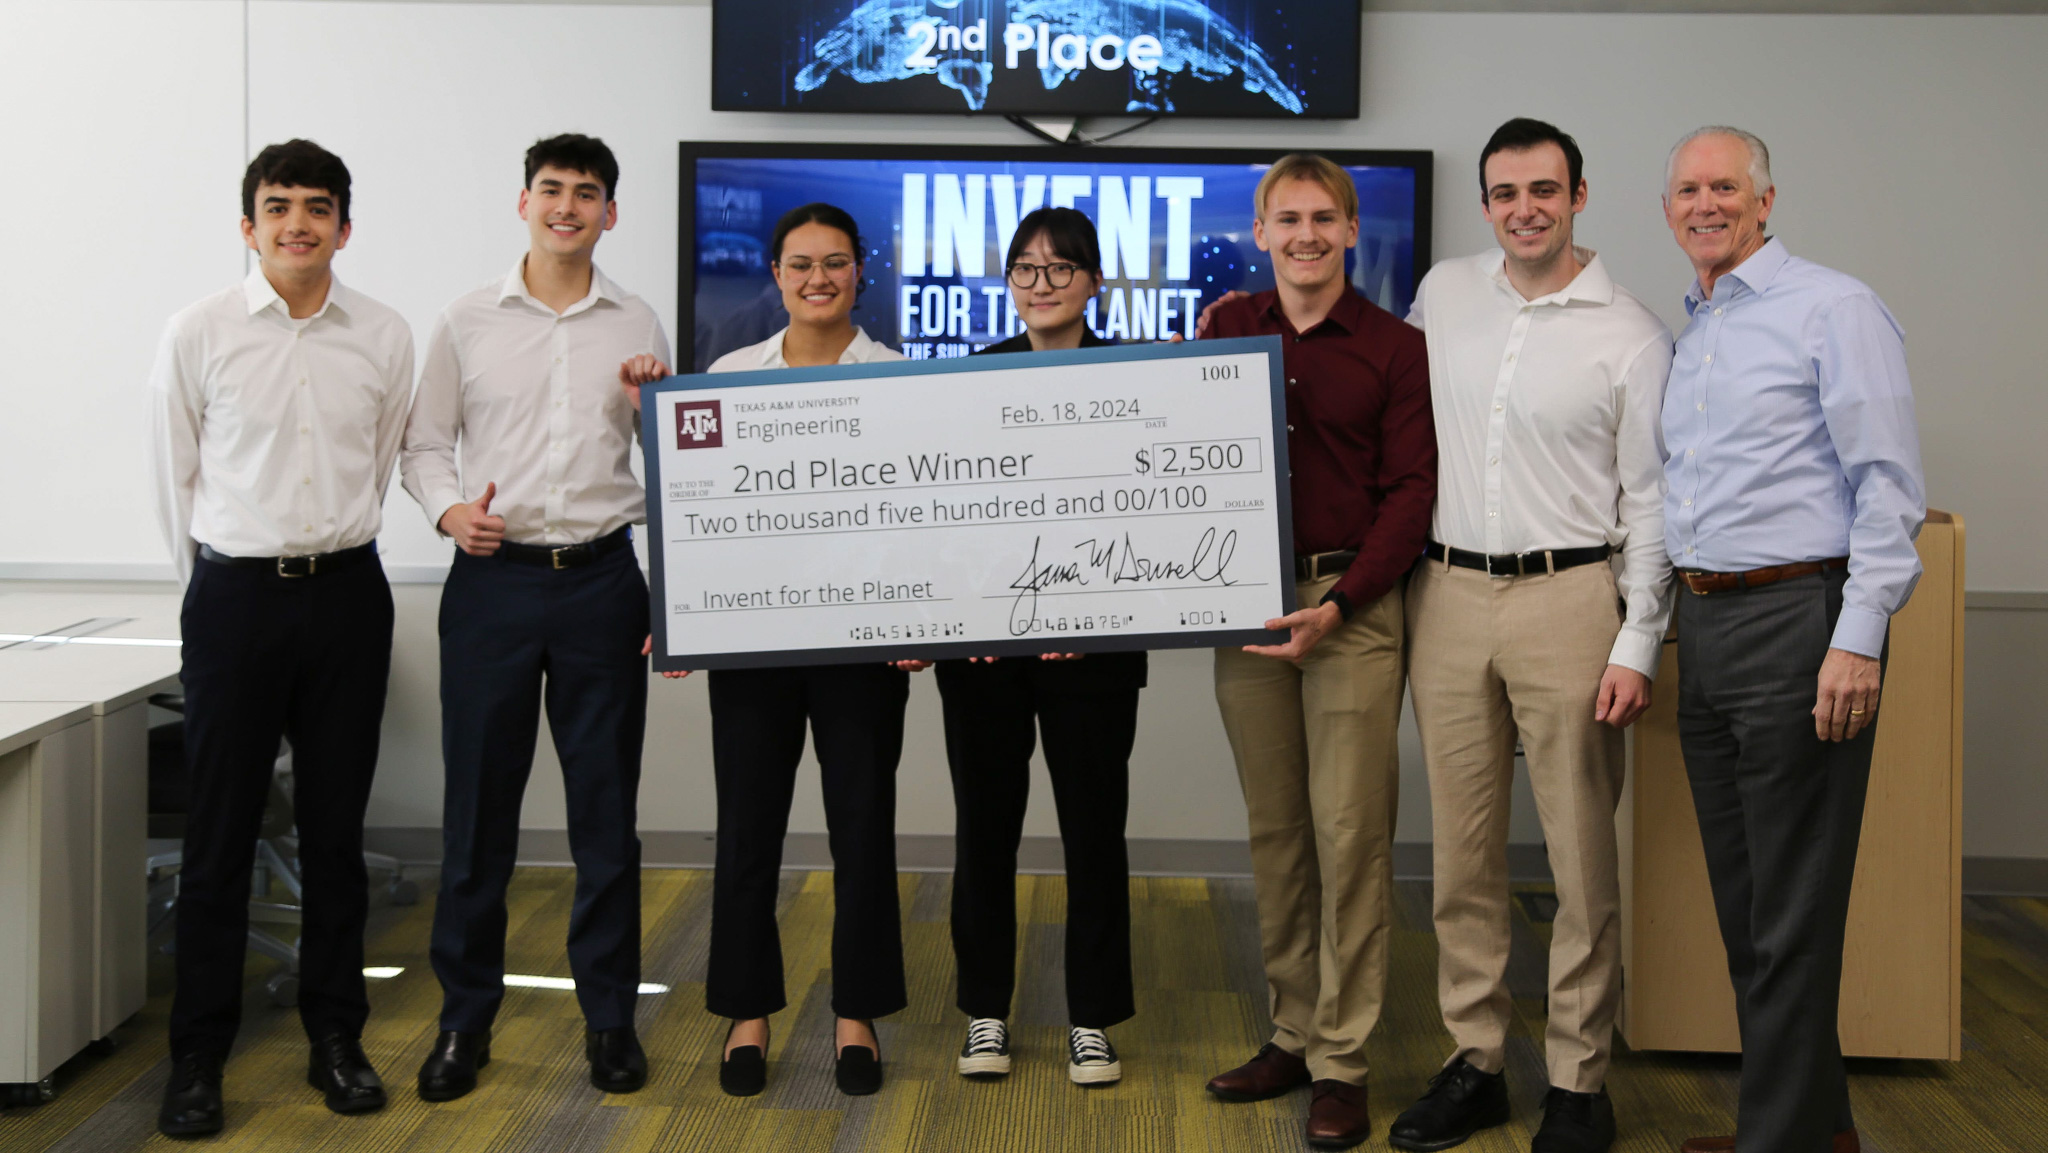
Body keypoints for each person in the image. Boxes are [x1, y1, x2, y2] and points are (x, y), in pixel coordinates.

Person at [1387, 119, 1674, 1153]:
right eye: (1503, 192)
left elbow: (1650, 501)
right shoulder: (1443, 294)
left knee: (1579, 856)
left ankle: (1577, 1079)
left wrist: (1638, 639)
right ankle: (1474, 1062)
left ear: (1578, 195)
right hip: (1448, 596)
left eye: (1542, 190)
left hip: (1570, 600)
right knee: (1460, 856)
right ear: (1484, 202)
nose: (1523, 210)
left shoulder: (1630, 333)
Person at [1659, 127, 1924, 1153]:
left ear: (1764, 200)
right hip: (1706, 623)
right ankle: (1812, 1125)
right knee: (1748, 904)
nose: (1704, 203)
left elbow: (1887, 490)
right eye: (1686, 188)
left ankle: (1776, 1139)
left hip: (1799, 625)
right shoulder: (1700, 326)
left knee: (1792, 911)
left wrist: (1855, 640)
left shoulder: (1832, 308)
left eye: (1723, 185)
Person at [148, 139, 414, 1137]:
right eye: (276, 206)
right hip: (234, 601)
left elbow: (386, 459)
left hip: (348, 596)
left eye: (316, 206)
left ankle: (334, 1040)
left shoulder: (383, 334)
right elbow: (171, 479)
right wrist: (210, 599)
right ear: (248, 224)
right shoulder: (200, 330)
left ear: (344, 225)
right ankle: (197, 1059)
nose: (296, 222)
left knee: (335, 836)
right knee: (218, 840)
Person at [399, 134, 669, 1101]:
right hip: (494, 584)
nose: (567, 206)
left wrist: (648, 403)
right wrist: (447, 509)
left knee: (606, 818)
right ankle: (463, 1022)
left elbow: (662, 458)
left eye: (586, 193)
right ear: (523, 203)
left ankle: (609, 1020)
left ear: (608, 212)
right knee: (478, 819)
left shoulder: (635, 316)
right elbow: (426, 445)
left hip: (603, 579)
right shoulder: (466, 319)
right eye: (551, 190)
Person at [625, 202, 915, 1099]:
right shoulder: (729, 375)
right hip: (754, 646)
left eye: (834, 262)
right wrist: (681, 613)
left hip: (862, 647)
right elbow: (699, 512)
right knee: (748, 832)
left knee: (862, 830)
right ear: (777, 274)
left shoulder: (900, 380)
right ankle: (747, 1013)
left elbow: (921, 519)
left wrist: (923, 620)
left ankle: (856, 1013)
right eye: (800, 263)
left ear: (859, 271)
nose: (817, 278)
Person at [1198, 154, 1436, 1150]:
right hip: (1246, 606)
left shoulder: (1395, 348)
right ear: (1260, 231)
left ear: (1347, 231)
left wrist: (1339, 603)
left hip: (1351, 605)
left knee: (1350, 836)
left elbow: (1410, 495)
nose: (1303, 234)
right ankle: (1291, 1030)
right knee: (1276, 833)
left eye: (1321, 217)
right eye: (1284, 217)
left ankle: (1342, 1057)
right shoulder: (1223, 328)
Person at [939, 207, 1145, 1088]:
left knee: (1093, 833)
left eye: (1061, 270)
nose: (1042, 285)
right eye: (1025, 269)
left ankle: (1090, 1017)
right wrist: (972, 617)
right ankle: (987, 1010)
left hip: (1094, 655)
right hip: (987, 652)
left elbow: (1152, 520)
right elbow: (947, 514)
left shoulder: (1136, 380)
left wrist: (1089, 616)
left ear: (1095, 282)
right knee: (985, 829)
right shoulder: (967, 381)